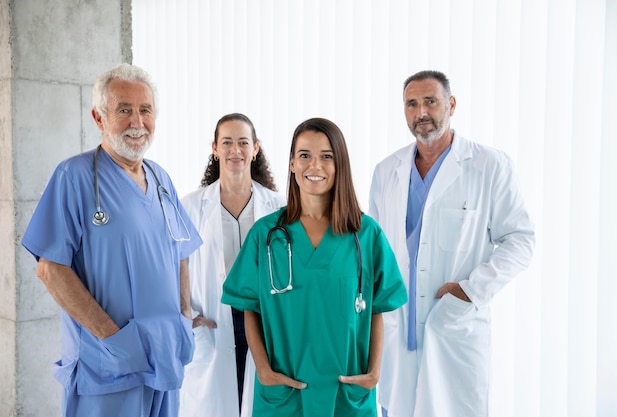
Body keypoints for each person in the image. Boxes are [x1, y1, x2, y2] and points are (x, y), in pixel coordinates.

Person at [21, 63, 203, 417]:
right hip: (107, 367)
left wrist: (183, 317)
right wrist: (113, 339)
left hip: (164, 359)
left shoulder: (161, 177)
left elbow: (181, 249)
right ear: (99, 117)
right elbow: (51, 269)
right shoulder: (73, 177)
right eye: (124, 110)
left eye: (145, 110)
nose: (137, 122)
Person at [369, 70, 535, 417]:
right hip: (398, 332)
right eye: (411, 104)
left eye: (430, 101)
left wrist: (472, 290)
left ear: (452, 105)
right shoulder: (387, 171)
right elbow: (374, 251)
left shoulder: (489, 165)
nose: (421, 113)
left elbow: (519, 240)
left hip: (454, 327)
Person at [221, 117, 407, 417]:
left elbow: (377, 309)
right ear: (292, 163)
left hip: (346, 393)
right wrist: (264, 371)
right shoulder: (266, 235)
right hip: (285, 393)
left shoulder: (366, 234)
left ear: (340, 165)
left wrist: (374, 373)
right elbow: (249, 308)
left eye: (326, 156)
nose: (315, 166)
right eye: (305, 155)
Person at [179, 113, 286, 417]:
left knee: (258, 404)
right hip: (213, 323)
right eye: (227, 142)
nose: (234, 150)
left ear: (256, 148)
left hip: (262, 323)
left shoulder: (279, 207)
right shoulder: (190, 206)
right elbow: (174, 265)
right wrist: (188, 314)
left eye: (243, 142)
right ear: (215, 148)